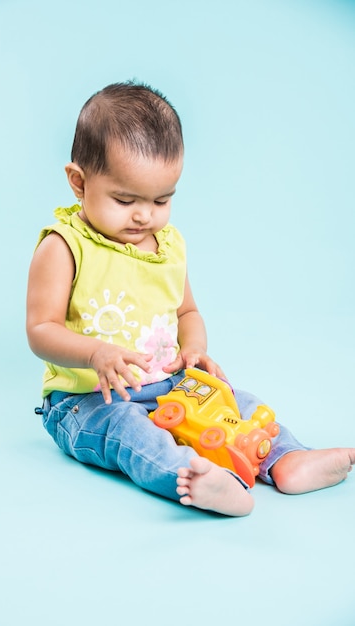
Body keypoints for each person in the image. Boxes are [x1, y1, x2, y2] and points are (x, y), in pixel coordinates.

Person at [26, 81, 355, 516]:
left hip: (170, 385)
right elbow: (40, 330)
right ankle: (202, 480)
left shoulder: (167, 245)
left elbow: (187, 311)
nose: (145, 215)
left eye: (162, 199)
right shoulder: (65, 246)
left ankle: (285, 460)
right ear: (78, 182)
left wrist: (195, 350)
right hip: (88, 402)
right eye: (125, 199)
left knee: (237, 402)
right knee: (132, 433)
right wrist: (95, 354)